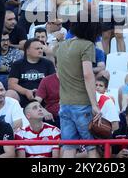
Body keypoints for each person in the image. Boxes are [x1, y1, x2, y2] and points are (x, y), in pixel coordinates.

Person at [54, 11, 101, 158]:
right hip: (82, 104)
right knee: (91, 147)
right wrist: (94, 104)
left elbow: (58, 73)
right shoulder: (87, 45)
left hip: (64, 103)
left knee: (69, 147)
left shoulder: (61, 46)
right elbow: (88, 74)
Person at [8, 39, 56, 108]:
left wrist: (41, 93)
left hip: (43, 97)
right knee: (10, 93)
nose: (40, 51)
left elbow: (53, 83)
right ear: (27, 51)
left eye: (41, 48)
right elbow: (11, 84)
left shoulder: (48, 64)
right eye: (37, 49)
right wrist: (26, 92)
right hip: (22, 96)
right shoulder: (17, 64)